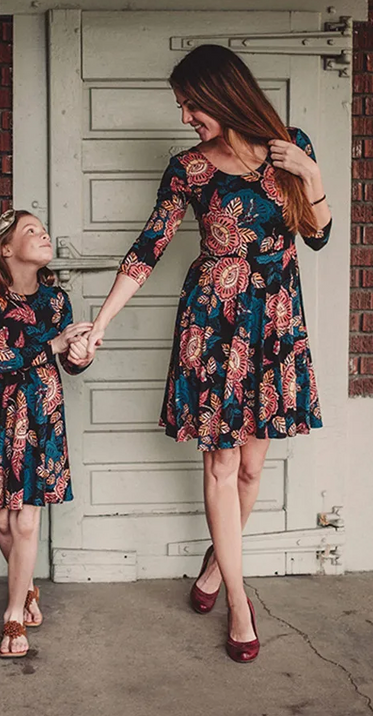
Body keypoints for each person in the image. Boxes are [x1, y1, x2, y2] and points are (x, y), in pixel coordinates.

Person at [84, 45, 333, 663]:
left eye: (192, 103)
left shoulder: (289, 145)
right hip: (213, 327)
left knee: (251, 470)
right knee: (221, 468)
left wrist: (312, 174)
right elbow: (148, 248)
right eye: (182, 107)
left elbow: (318, 235)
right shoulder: (189, 169)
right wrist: (102, 323)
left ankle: (215, 569)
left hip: (274, 325)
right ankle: (240, 604)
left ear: (223, 94)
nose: (187, 115)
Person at [0, 209, 95, 659]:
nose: (43, 234)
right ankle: (29, 588)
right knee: (2, 521)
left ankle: (13, 615)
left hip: (40, 418)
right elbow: (0, 359)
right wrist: (53, 346)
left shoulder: (57, 301)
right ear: (6, 249)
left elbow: (70, 365)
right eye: (30, 230)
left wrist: (79, 351)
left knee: (25, 520)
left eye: (43, 229)